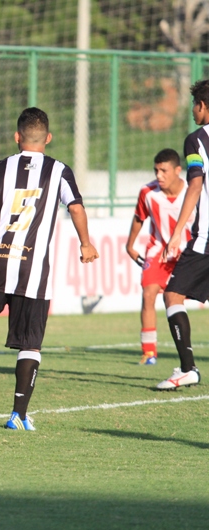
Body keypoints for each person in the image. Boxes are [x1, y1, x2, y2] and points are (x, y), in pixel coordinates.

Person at [0, 107, 99, 431]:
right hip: (33, 274)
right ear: (48, 138)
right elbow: (75, 206)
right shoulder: (59, 171)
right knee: (30, 344)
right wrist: (86, 243)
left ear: (16, 137)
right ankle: (18, 415)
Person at [156, 80, 209, 390]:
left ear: (202, 106)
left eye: (195, 105)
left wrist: (177, 234)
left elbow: (196, 183)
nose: (192, 111)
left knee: (172, 294)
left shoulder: (196, 141)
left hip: (205, 237)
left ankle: (188, 369)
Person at [125, 149, 193, 366]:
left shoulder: (194, 191)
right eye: (156, 170)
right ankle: (149, 352)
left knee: (181, 299)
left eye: (164, 171)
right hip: (158, 253)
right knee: (148, 294)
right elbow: (139, 217)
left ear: (177, 171)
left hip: (189, 254)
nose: (159, 175)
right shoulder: (148, 192)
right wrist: (130, 244)